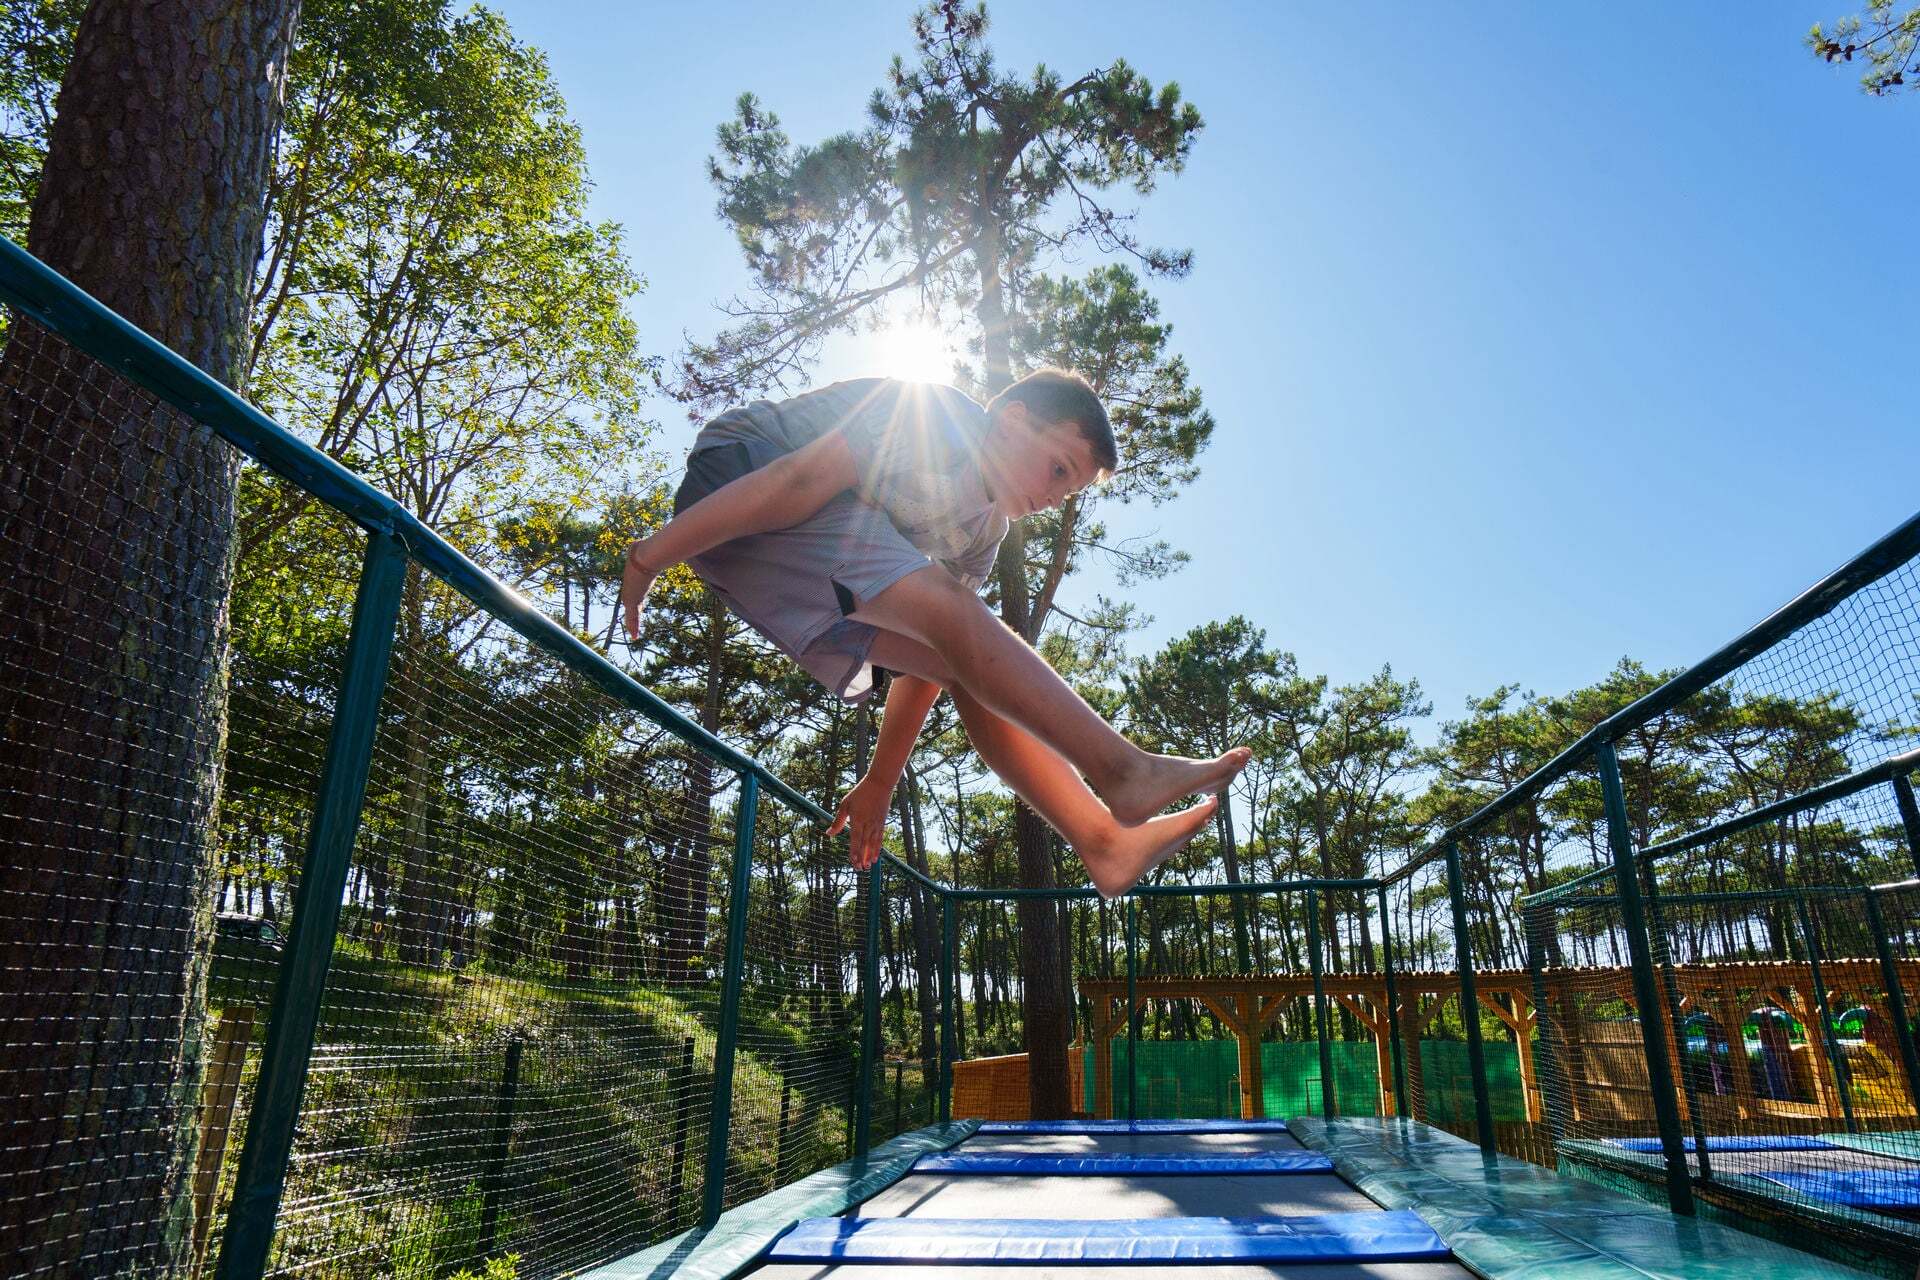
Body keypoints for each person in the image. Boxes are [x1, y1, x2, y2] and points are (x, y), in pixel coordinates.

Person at [621, 370, 1249, 898]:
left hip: (767, 571)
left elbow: (942, 660)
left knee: (971, 671)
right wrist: (652, 555)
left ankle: (1102, 842)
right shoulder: (938, 421)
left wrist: (881, 780)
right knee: (954, 615)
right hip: (740, 475)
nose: (1054, 495)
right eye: (1058, 468)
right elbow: (799, 481)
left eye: (1069, 491)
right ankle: (1122, 769)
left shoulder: (983, 534)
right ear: (1009, 418)